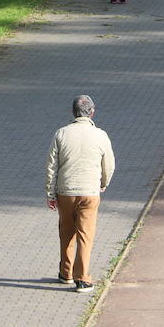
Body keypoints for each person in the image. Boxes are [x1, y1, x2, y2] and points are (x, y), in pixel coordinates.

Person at [45, 95, 115, 293]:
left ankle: (65, 273)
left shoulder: (61, 134)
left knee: (66, 232)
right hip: (90, 192)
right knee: (85, 235)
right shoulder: (101, 135)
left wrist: (50, 194)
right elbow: (109, 165)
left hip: (65, 191)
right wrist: (103, 183)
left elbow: (51, 166)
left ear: (73, 112)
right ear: (92, 112)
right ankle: (82, 279)